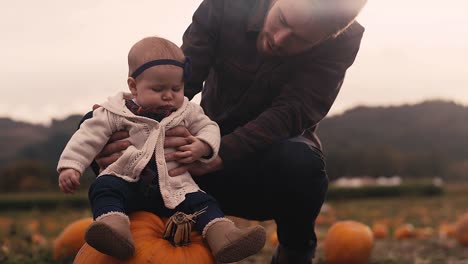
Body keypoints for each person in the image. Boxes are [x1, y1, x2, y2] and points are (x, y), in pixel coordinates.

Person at [95, 0, 367, 263]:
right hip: (199, 148)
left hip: (264, 169)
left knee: (304, 164)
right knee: (105, 135)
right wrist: (133, 121)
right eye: (282, 19)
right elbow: (182, 77)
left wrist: (222, 151)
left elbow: (293, 110)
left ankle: (295, 251)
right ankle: (133, 235)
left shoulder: (343, 40)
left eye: (301, 40)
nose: (280, 38)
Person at [57, 36, 266, 262]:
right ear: (134, 86)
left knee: (202, 202)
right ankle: (113, 228)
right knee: (105, 187)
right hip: (127, 178)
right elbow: (87, 137)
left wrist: (203, 145)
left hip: (174, 184)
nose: (168, 95)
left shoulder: (186, 111)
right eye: (158, 89)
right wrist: (72, 166)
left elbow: (209, 127)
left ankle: (224, 237)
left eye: (176, 88)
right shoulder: (115, 112)